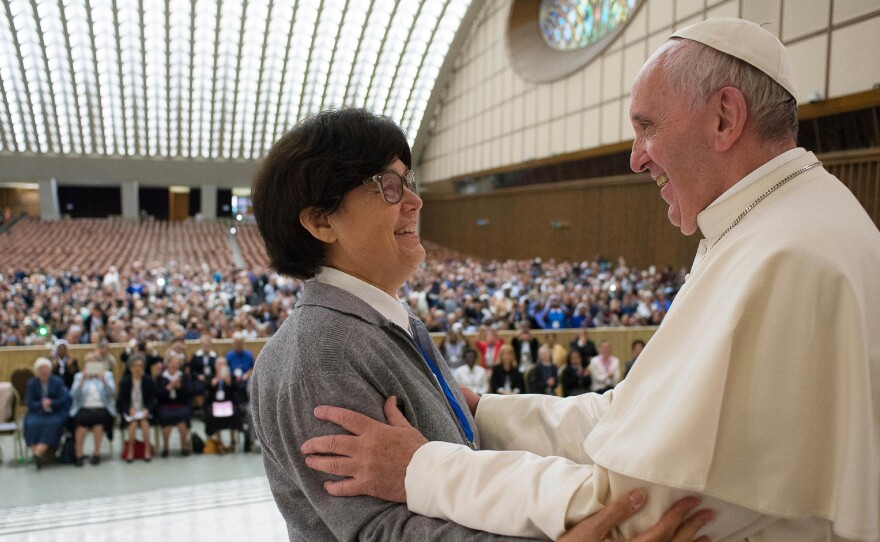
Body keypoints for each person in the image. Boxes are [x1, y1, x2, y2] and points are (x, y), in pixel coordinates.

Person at [300, 18, 880, 541]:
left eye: (647, 126)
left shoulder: (786, 256)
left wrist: (423, 470)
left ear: (725, 118)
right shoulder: (780, 224)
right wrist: (483, 414)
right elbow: (626, 421)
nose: (635, 158)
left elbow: (631, 511)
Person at [249, 108, 705, 542]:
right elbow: (378, 531)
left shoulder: (387, 322)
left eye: (408, 182)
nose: (414, 201)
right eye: (388, 186)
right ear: (321, 220)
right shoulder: (320, 353)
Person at [69, 352, 117, 466]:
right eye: (89, 361)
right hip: (84, 407)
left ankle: (96, 452)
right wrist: (82, 381)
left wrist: (104, 380)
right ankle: (79, 454)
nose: (92, 363)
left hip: (101, 407)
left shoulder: (107, 375)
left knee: (98, 421)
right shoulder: (79, 376)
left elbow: (111, 394)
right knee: (81, 423)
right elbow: (74, 396)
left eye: (95, 360)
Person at [23, 357, 69, 469]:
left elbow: (63, 400)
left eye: (46, 368)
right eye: (41, 369)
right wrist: (41, 404)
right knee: (30, 423)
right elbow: (29, 402)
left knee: (53, 424)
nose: (44, 371)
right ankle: (39, 453)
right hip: (37, 412)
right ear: (37, 371)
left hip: (54, 412)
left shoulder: (57, 381)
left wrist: (51, 402)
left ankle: (38, 453)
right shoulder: (32, 383)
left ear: (50, 370)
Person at [116, 355, 155, 462]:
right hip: (131, 411)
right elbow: (121, 401)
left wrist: (147, 409)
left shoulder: (148, 380)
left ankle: (147, 449)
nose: (138, 369)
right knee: (133, 424)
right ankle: (130, 450)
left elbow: (152, 399)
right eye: (135, 366)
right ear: (130, 368)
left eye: (140, 366)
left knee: (144, 423)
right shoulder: (125, 382)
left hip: (143, 410)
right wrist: (128, 409)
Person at [154, 351, 192, 457]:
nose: (175, 365)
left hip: (181, 404)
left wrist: (180, 388)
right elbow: (157, 395)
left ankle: (184, 446)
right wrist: (168, 388)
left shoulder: (184, 376)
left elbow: (189, 393)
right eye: (172, 362)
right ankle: (165, 447)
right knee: (166, 419)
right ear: (168, 363)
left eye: (177, 363)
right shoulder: (161, 377)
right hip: (165, 405)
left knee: (182, 418)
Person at [204, 356, 241, 452]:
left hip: (228, 402)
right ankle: (219, 441)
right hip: (215, 403)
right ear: (215, 366)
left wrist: (228, 381)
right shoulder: (211, 376)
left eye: (223, 364)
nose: (221, 367)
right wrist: (216, 379)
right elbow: (207, 387)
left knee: (235, 412)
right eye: (219, 364)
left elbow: (236, 389)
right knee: (212, 414)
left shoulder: (231, 376)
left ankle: (233, 440)